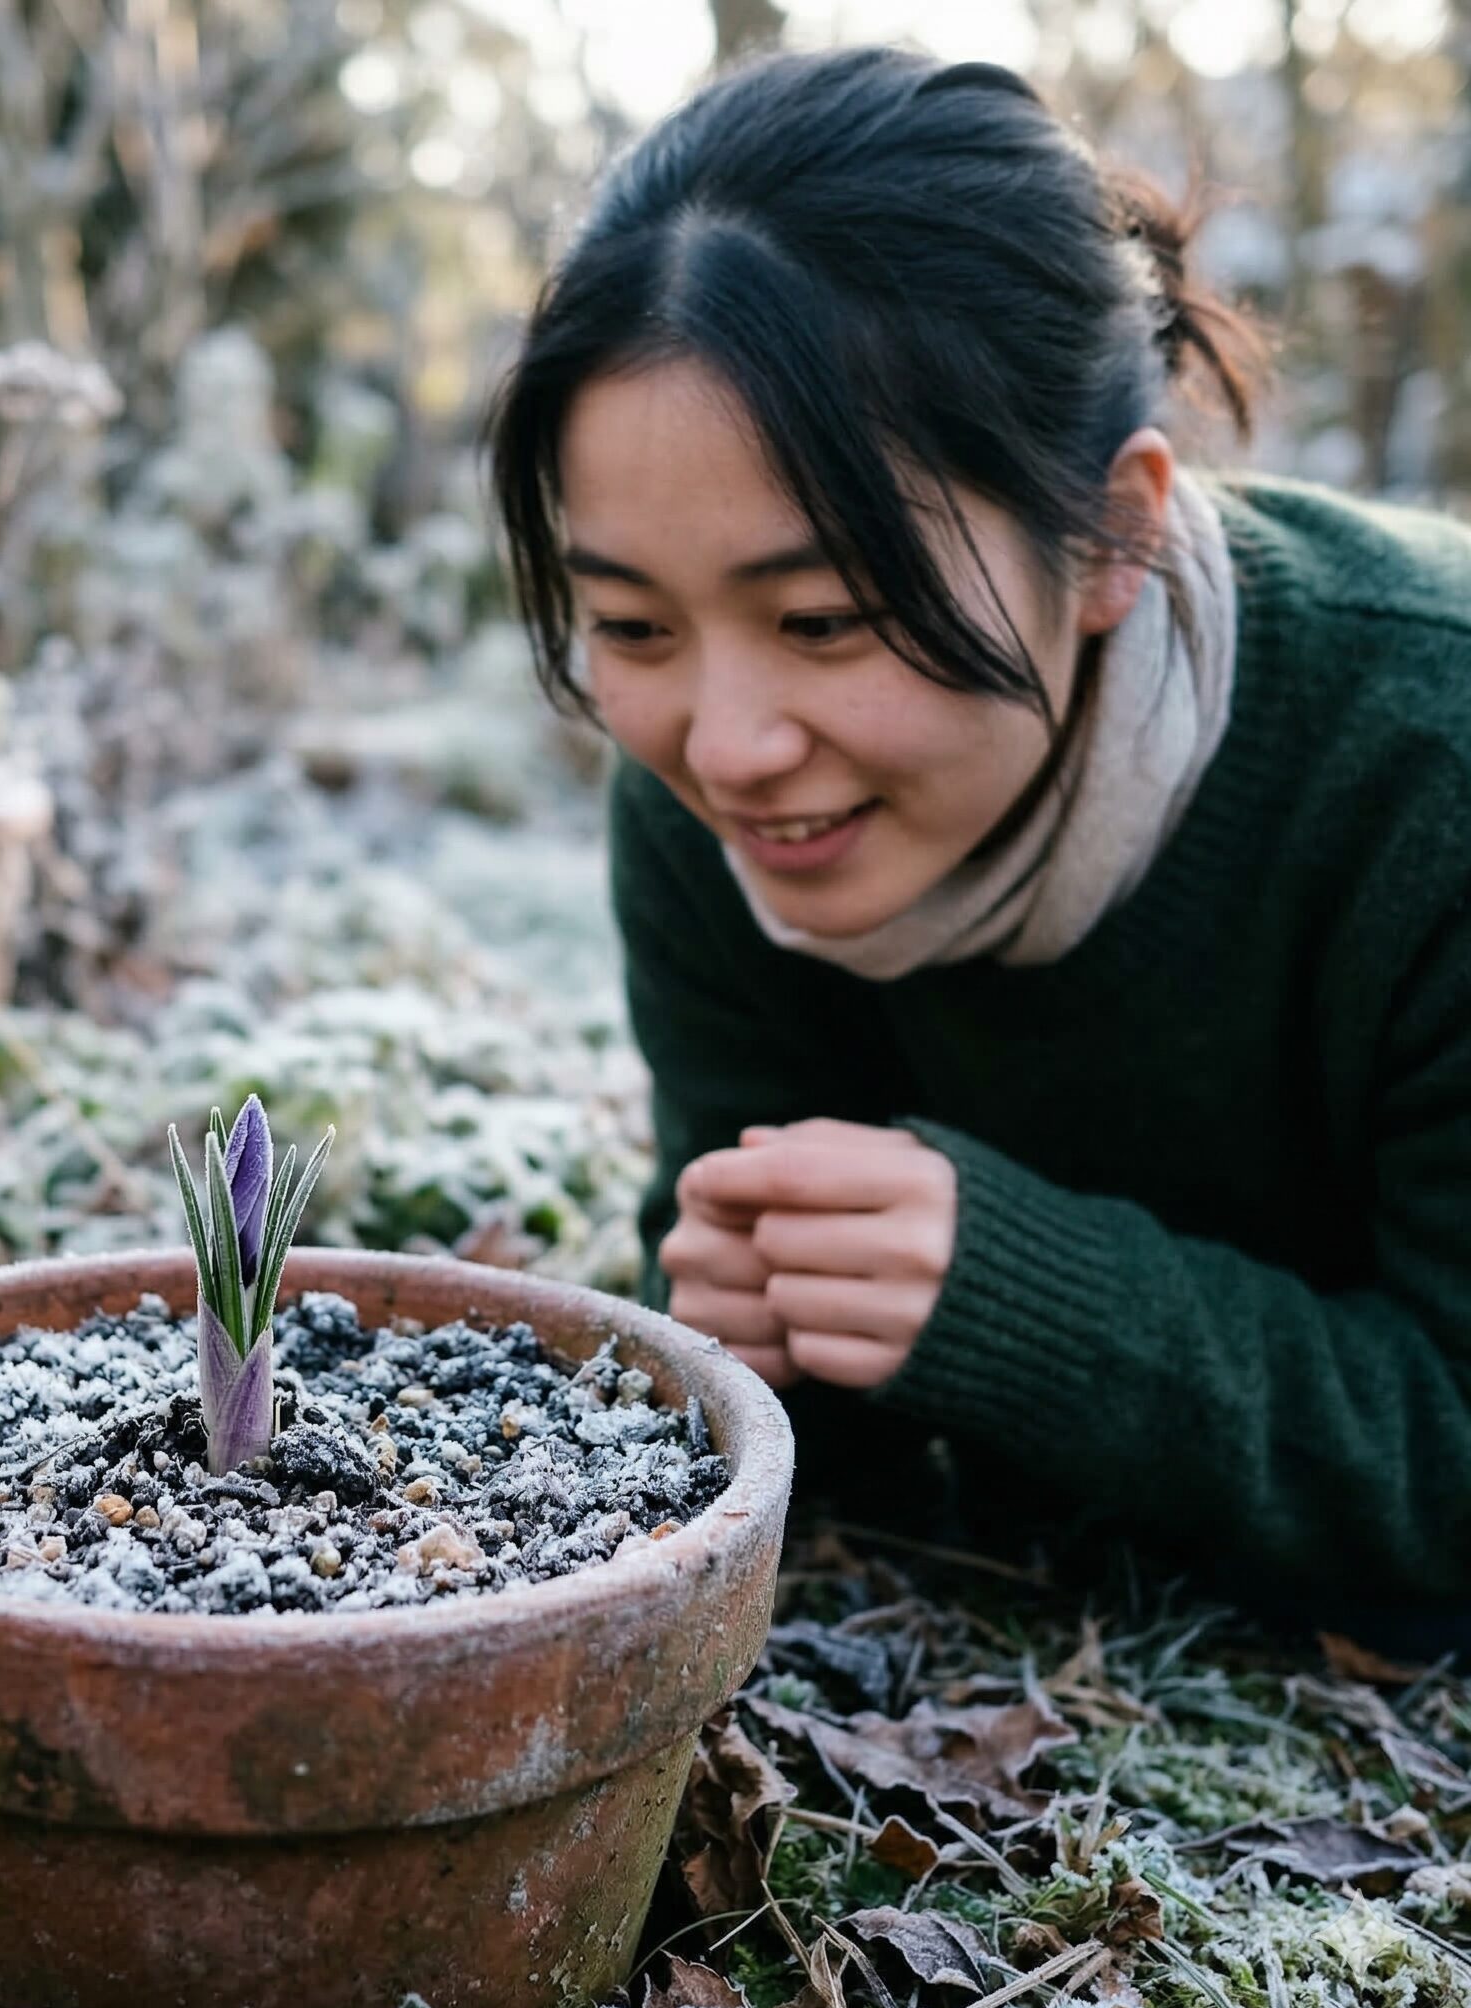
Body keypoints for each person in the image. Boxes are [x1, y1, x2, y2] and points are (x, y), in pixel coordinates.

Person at [484, 44, 1471, 1650]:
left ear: (1115, 535)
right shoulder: (713, 796)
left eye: (820, 618)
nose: (726, 744)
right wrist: (765, 1335)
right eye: (630, 622)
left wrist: (1027, 1297)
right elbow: (816, 1437)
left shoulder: (1426, 764)